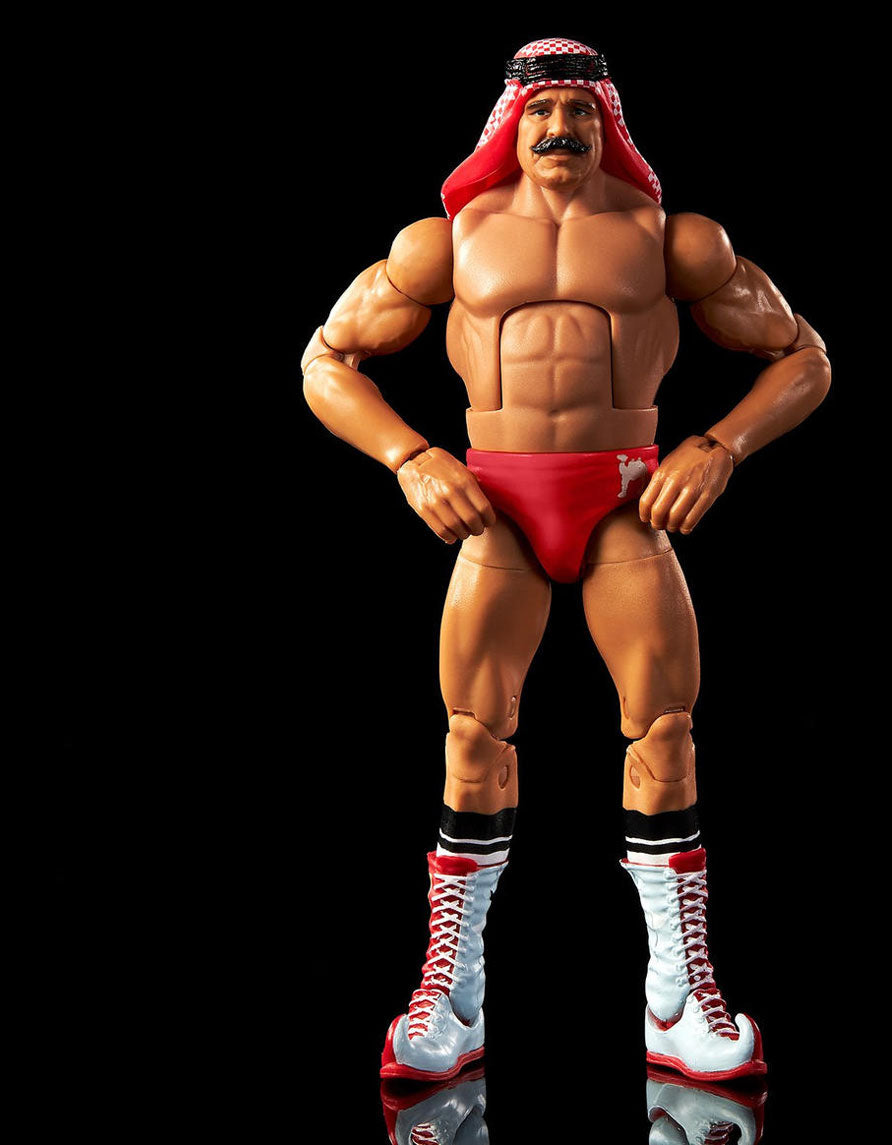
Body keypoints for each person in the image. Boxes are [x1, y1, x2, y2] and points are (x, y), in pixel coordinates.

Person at [301, 37, 830, 1083]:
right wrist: (410, 457)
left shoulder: (671, 241)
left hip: (625, 500)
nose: (558, 128)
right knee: (469, 738)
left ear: (607, 122)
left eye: (579, 110)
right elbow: (326, 359)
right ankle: (451, 999)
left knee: (666, 734)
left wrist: (718, 447)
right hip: (496, 506)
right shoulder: (446, 243)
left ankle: (678, 1002)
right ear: (508, 123)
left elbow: (803, 356)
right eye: (540, 110)